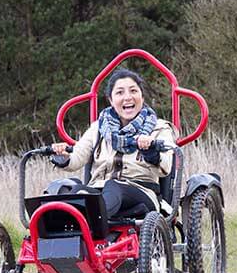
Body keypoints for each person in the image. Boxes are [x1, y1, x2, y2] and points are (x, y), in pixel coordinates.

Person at [51, 68, 176, 220]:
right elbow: (77, 157)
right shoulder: (99, 128)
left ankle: (90, 220)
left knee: (113, 186)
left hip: (142, 192)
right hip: (99, 190)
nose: (127, 97)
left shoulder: (159, 128)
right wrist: (64, 156)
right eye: (120, 92)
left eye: (133, 91)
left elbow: (166, 168)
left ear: (142, 97)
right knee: (74, 191)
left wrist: (151, 151)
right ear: (111, 100)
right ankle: (54, 232)